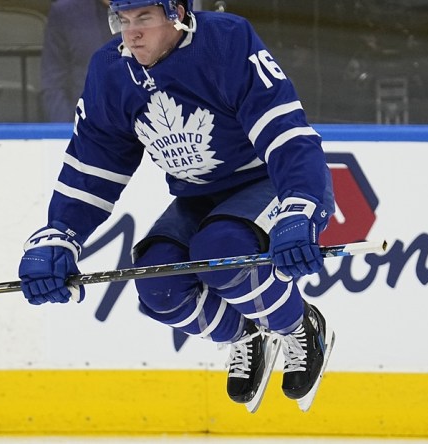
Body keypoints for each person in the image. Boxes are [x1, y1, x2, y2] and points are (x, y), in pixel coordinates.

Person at [18, 0, 336, 412]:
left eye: (144, 19)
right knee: (157, 284)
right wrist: (61, 234)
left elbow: (284, 130)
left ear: (177, 13)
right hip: (198, 196)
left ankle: (299, 326)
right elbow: (95, 162)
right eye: (123, 20)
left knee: (221, 248)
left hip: (267, 182)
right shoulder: (110, 70)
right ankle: (246, 337)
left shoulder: (225, 40)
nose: (132, 33)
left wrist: (301, 201)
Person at [41, 0, 112, 122]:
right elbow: (53, 83)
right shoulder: (65, 12)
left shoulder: (152, 7)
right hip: (84, 128)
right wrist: (67, 131)